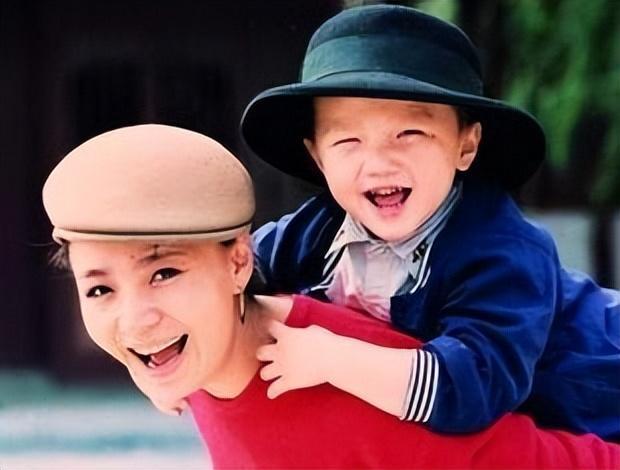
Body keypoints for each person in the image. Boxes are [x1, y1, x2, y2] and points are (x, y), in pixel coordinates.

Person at [42, 124, 620, 468]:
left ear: (238, 262)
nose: (135, 320)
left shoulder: (344, 366)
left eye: (165, 273)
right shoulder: (197, 350)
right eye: (100, 288)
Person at [241, 4, 620, 440]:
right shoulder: (316, 229)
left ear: (465, 145)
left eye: (410, 134)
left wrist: (334, 358)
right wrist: (183, 360)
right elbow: (227, 274)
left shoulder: (502, 249)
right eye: (348, 140)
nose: (378, 162)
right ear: (317, 157)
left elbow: (474, 385)